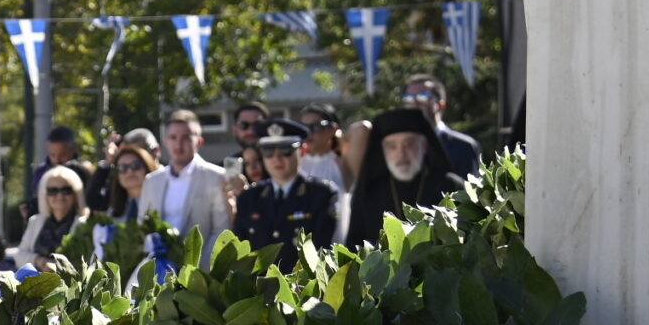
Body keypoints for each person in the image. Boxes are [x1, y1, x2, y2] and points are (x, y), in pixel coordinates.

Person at [232, 119, 340, 270]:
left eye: (286, 151)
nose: (276, 159)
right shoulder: (249, 197)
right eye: (268, 152)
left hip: (303, 282)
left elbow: (323, 249)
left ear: (302, 151)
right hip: (259, 282)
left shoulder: (321, 194)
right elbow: (240, 251)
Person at [345, 106, 458, 246]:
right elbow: (354, 245)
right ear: (383, 150)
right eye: (392, 146)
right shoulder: (369, 191)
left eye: (409, 144)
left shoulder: (450, 186)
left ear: (424, 146)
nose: (401, 154)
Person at [134, 109, 232, 239]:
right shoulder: (152, 180)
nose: (178, 145)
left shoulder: (217, 177)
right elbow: (142, 225)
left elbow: (221, 230)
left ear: (199, 142)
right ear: (165, 141)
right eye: (173, 137)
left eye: (186, 138)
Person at [400, 75, 482, 177]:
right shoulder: (399, 147)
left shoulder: (464, 147)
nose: (415, 104)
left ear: (440, 105)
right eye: (409, 98)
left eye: (423, 97)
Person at [13, 164, 88, 268]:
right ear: (45, 195)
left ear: (76, 193)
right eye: (53, 191)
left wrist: (57, 267)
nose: (60, 196)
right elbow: (19, 256)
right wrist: (39, 261)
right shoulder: (35, 221)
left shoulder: (85, 225)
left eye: (66, 190)